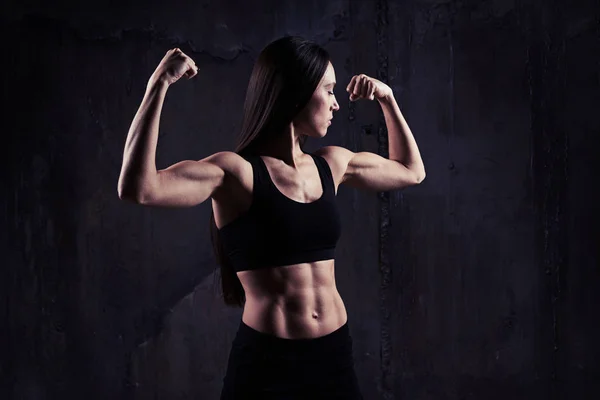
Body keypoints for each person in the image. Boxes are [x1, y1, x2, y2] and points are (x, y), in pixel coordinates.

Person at [118, 36, 425, 399]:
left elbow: (411, 171)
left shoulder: (332, 164)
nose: (336, 104)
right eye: (327, 90)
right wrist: (159, 84)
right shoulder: (238, 173)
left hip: (333, 358)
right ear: (296, 93)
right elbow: (140, 188)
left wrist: (387, 99)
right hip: (269, 364)